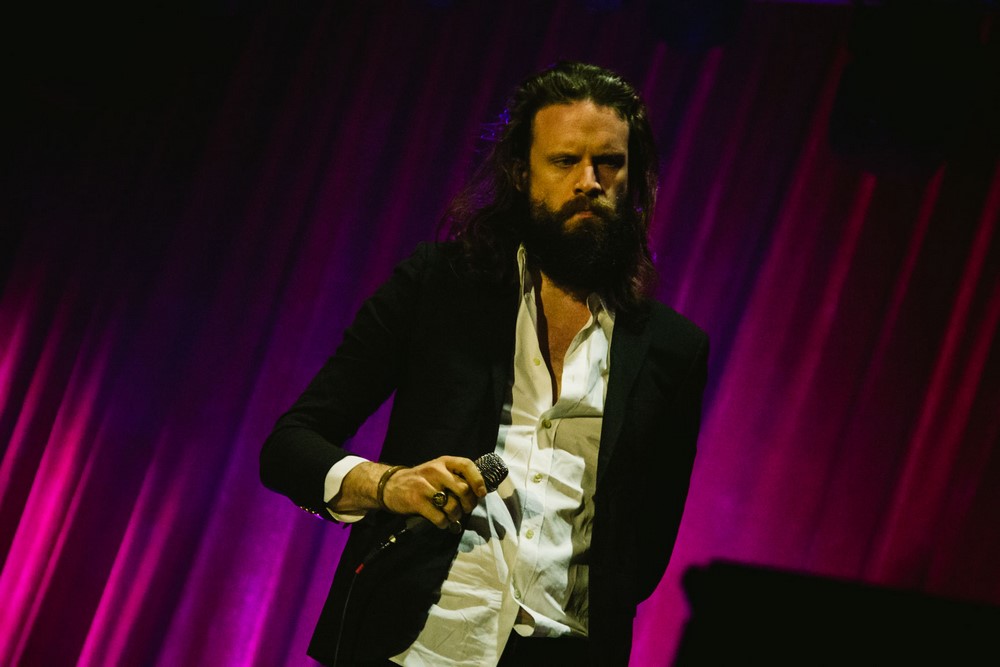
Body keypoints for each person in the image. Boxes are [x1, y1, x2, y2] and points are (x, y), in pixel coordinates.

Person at [260, 61, 708, 667]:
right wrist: (391, 485)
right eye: (564, 161)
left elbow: (644, 552)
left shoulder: (674, 349)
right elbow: (289, 446)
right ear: (522, 173)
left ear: (634, 179)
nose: (588, 182)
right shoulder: (437, 287)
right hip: (415, 645)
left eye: (609, 163)